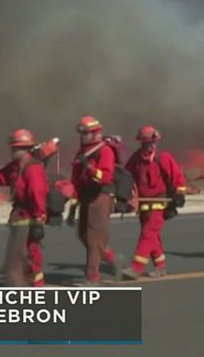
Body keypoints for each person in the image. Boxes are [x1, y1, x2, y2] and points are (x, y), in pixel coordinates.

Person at [0, 129, 48, 286]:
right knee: (18, 257)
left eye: (15, 148)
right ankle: (22, 288)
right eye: (13, 148)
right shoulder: (16, 166)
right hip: (18, 217)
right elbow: (2, 176)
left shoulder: (33, 168)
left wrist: (38, 221)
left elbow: (37, 193)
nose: (12, 151)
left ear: (24, 149)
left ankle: (34, 288)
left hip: (29, 218)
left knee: (25, 256)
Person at [122, 125, 186, 279]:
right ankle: (160, 266)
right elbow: (126, 176)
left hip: (158, 204)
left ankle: (136, 268)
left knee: (147, 235)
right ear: (142, 143)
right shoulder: (136, 159)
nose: (152, 146)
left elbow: (177, 177)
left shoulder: (162, 157)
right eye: (148, 143)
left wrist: (179, 194)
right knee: (152, 237)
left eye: (154, 142)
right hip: (143, 205)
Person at [71, 116, 124, 285]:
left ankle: (92, 277)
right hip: (86, 196)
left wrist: (89, 168)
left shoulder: (104, 151)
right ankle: (113, 259)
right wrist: (73, 204)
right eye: (81, 134)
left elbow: (105, 177)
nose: (83, 137)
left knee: (94, 238)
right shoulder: (82, 153)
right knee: (83, 234)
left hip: (100, 196)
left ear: (95, 133)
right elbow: (75, 179)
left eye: (86, 133)